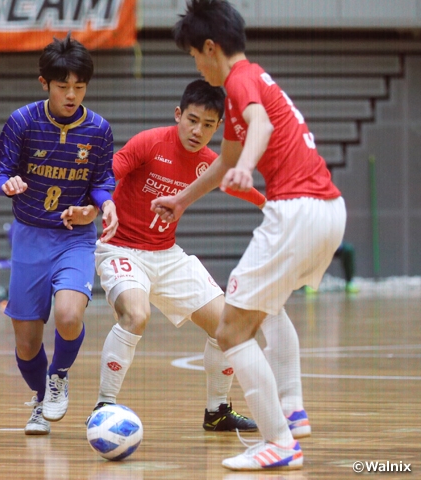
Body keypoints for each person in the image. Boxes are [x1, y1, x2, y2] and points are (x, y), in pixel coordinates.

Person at [151, 0, 346, 470]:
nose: (197, 66)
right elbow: (224, 161)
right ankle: (292, 409)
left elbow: (261, 126)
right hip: (328, 210)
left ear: (210, 47)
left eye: (195, 56)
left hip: (296, 209)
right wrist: (181, 200)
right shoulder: (252, 81)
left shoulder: (240, 80)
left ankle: (279, 442)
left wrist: (247, 167)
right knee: (267, 309)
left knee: (231, 329)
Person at [88, 80, 264, 433]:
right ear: (178, 114)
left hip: (167, 255)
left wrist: (270, 205)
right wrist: (99, 204)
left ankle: (217, 411)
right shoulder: (150, 142)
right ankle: (104, 406)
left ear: (218, 128)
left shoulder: (209, 163)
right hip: (121, 248)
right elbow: (108, 174)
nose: (198, 131)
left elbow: (239, 187)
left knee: (228, 326)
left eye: (208, 125)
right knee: (137, 315)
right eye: (192, 120)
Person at [0, 34, 118, 436]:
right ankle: (40, 398)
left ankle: (59, 374)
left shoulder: (98, 129)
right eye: (63, 86)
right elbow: (0, 173)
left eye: (80, 87)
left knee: (68, 315)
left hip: (74, 237)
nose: (72, 95)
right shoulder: (22, 121)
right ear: (44, 83)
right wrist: (7, 184)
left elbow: (102, 182)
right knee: (27, 344)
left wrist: (101, 206)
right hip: (29, 236)